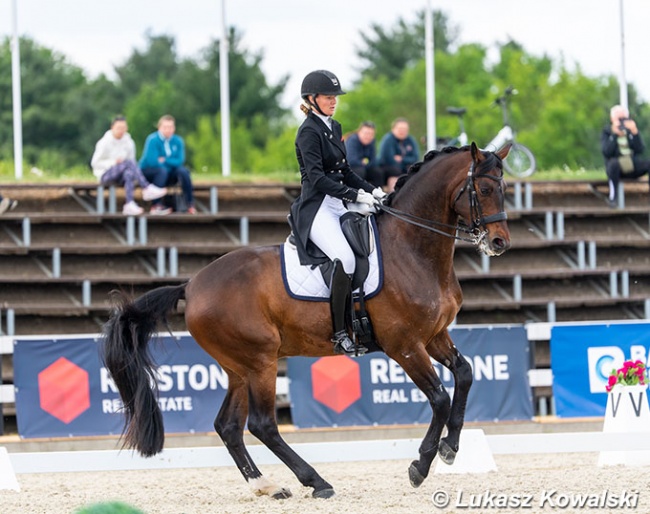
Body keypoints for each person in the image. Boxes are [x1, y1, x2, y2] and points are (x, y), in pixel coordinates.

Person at [289, 70, 386, 356]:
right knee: (344, 258)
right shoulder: (308, 132)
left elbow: (345, 171)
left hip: (338, 202)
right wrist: (355, 195)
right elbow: (318, 179)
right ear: (312, 99)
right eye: (328, 97)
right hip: (316, 206)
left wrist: (373, 190)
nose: (334, 102)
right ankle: (340, 331)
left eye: (335, 97)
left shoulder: (334, 126)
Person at [91, 115, 167, 215]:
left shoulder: (129, 142)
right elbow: (95, 163)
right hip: (106, 174)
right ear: (112, 128)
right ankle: (146, 187)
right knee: (128, 163)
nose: (121, 130)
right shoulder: (104, 143)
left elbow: (132, 162)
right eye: (119, 128)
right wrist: (113, 162)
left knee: (129, 173)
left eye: (123, 128)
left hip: (122, 174)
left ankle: (129, 203)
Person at [139, 115, 196, 215]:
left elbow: (180, 161)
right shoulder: (152, 140)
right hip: (149, 172)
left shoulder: (178, 141)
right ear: (159, 127)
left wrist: (164, 160)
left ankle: (189, 204)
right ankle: (156, 205)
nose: (168, 130)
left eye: (171, 127)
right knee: (161, 171)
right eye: (165, 127)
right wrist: (170, 162)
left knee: (183, 171)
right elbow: (153, 162)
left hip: (168, 172)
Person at [601, 105, 650, 208]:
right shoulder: (607, 131)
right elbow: (606, 152)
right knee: (613, 164)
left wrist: (635, 132)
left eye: (624, 119)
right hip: (616, 168)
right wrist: (614, 135)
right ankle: (613, 197)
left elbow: (640, 149)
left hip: (632, 165)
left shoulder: (631, 131)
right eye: (619, 119)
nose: (622, 122)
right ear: (612, 119)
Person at [378, 117, 420, 191]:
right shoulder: (388, 140)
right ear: (393, 129)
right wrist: (406, 161)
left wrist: (402, 159)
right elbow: (390, 159)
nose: (402, 131)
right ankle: (393, 196)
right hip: (387, 169)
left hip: (404, 167)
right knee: (395, 171)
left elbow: (415, 157)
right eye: (400, 129)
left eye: (405, 129)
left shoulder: (410, 140)